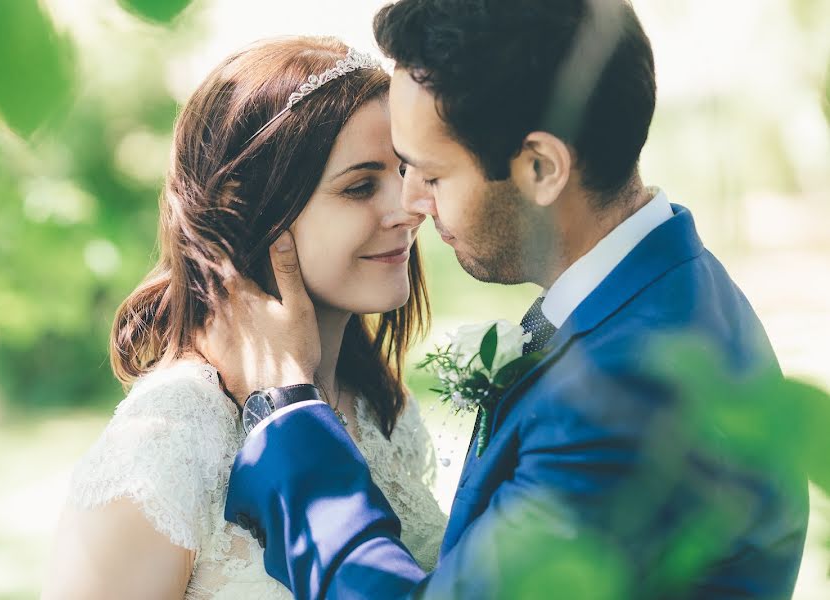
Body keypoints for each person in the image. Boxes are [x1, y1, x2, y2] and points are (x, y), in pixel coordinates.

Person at [218, 1, 809, 598]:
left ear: (541, 167)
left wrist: (287, 406)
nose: (411, 201)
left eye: (431, 173)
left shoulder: (621, 397)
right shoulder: (670, 287)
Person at [42, 36, 447, 599]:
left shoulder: (383, 410)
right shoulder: (171, 439)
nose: (407, 208)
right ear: (253, 213)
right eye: (359, 187)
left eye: (404, 171)